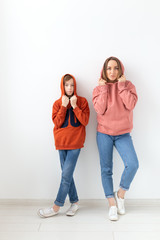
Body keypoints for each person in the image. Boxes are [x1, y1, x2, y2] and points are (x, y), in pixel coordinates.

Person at [92, 56, 139, 221]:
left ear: (120, 70)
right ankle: (112, 204)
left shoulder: (128, 85)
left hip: (123, 133)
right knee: (106, 169)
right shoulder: (98, 89)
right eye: (109, 68)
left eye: (115, 68)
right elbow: (99, 109)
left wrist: (121, 86)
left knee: (133, 164)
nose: (112, 71)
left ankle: (120, 194)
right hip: (104, 133)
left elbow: (131, 105)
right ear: (104, 71)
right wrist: (104, 89)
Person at [38, 74, 90, 217]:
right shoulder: (57, 103)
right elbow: (57, 123)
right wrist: (64, 105)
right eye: (66, 85)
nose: (69, 88)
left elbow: (85, 121)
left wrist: (74, 106)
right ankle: (74, 202)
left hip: (75, 143)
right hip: (61, 143)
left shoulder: (82, 101)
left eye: (72, 85)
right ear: (62, 86)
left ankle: (56, 206)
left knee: (66, 176)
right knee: (67, 175)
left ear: (75, 86)